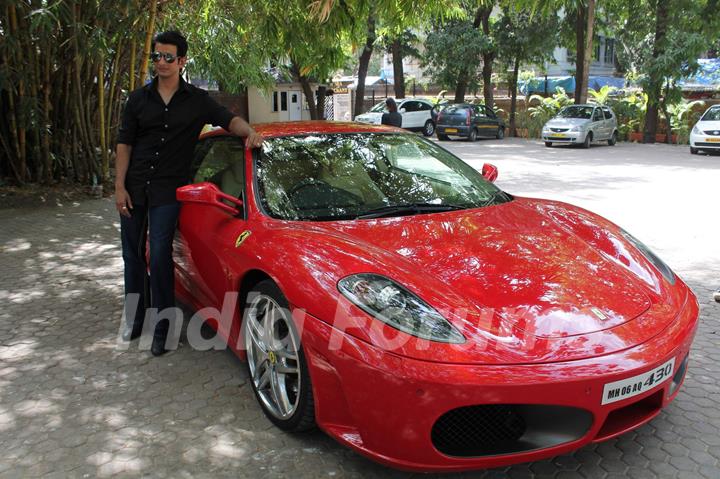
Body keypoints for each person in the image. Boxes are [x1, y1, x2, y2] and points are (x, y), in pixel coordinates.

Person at [114, 30, 264, 356]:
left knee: (160, 252)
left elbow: (229, 120)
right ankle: (135, 319)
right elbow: (124, 145)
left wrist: (250, 132)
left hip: (169, 190)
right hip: (136, 186)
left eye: (169, 57)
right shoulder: (138, 100)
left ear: (181, 61)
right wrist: (119, 187)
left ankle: (163, 331)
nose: (161, 63)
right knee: (132, 256)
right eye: (157, 56)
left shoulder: (197, 100)